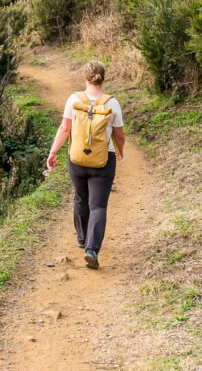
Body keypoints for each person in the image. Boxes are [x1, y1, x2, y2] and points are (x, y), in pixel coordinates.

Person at [45, 60, 125, 269]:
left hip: (76, 160)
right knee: (98, 205)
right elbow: (119, 134)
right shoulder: (112, 103)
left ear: (85, 78)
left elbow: (64, 129)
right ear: (103, 78)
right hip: (103, 161)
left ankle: (81, 238)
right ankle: (91, 249)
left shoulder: (74, 99)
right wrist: (120, 149)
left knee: (81, 197)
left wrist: (53, 152)